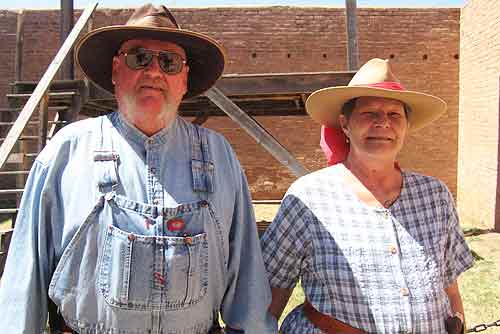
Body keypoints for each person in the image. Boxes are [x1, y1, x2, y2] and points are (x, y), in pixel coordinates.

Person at [0, 4, 276, 334]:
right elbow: (24, 280)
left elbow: (247, 281)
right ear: (116, 70)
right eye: (139, 58)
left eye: (169, 62)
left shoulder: (219, 156)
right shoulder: (65, 153)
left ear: (183, 79)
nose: (154, 72)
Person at [261, 58, 473, 334]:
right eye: (369, 113)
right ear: (345, 124)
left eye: (394, 115)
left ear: (406, 126)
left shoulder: (435, 196)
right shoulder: (308, 198)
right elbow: (269, 297)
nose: (383, 123)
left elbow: (451, 292)